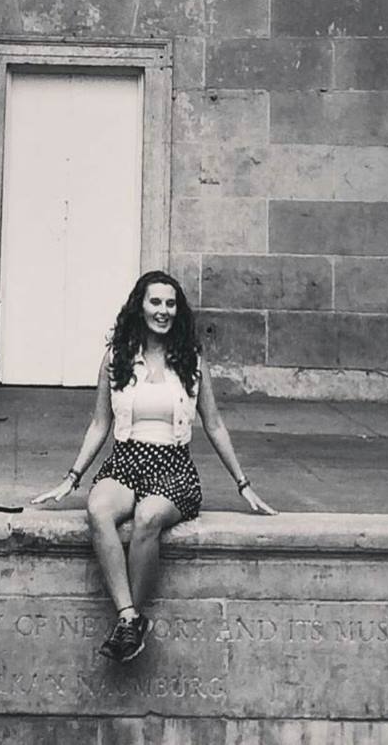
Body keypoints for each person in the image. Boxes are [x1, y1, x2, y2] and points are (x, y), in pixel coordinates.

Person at [31, 270, 276, 663]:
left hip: (173, 468)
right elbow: (99, 424)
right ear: (140, 306)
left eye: (170, 304)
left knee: (147, 517)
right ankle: (130, 618)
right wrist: (71, 478)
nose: (163, 311)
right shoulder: (116, 358)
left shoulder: (191, 361)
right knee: (98, 509)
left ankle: (128, 622)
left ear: (178, 311)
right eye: (155, 302)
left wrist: (243, 484)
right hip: (126, 461)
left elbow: (214, 424)